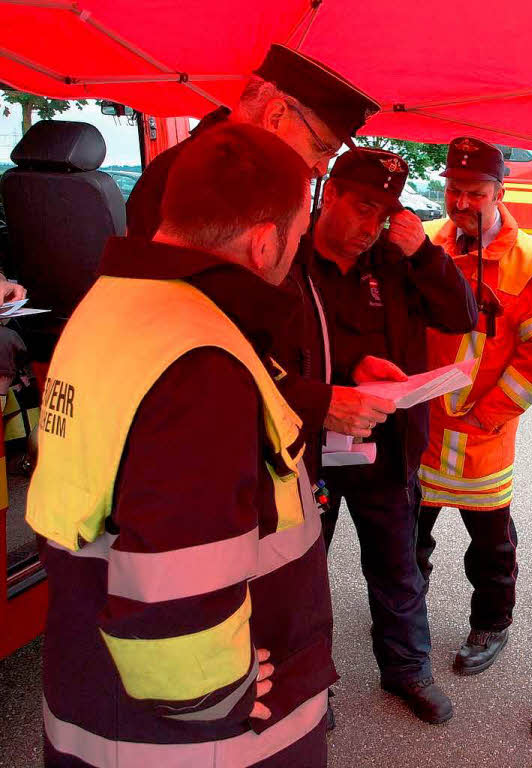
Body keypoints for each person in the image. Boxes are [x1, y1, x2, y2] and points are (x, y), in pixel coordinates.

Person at [27, 124, 338, 766]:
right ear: (262, 243)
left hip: (94, 676)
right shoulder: (200, 362)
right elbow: (178, 569)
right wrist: (213, 697)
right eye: (296, 239)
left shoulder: (115, 303)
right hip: (194, 736)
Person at [126, 43, 393, 464]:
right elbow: (196, 346)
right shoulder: (189, 182)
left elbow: (292, 310)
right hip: (218, 447)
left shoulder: (265, 186)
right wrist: (313, 401)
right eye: (321, 147)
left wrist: (346, 362)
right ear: (275, 116)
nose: (322, 167)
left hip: (272, 429)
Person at [311, 148, 476, 723]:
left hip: (386, 447)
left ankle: (408, 670)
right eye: (362, 207)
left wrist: (425, 252)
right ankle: (310, 687)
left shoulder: (396, 256)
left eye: (382, 214)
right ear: (328, 194)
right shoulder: (291, 259)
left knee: (398, 568)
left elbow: (462, 316)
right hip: (312, 447)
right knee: (303, 573)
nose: (370, 226)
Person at [417, 136, 532, 676]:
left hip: (483, 434)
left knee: (491, 548)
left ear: (500, 192)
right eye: (455, 190)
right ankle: (408, 616)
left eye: (475, 192)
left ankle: (492, 623)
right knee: (410, 538)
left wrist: (487, 414)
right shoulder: (429, 244)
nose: (461, 203)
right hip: (424, 428)